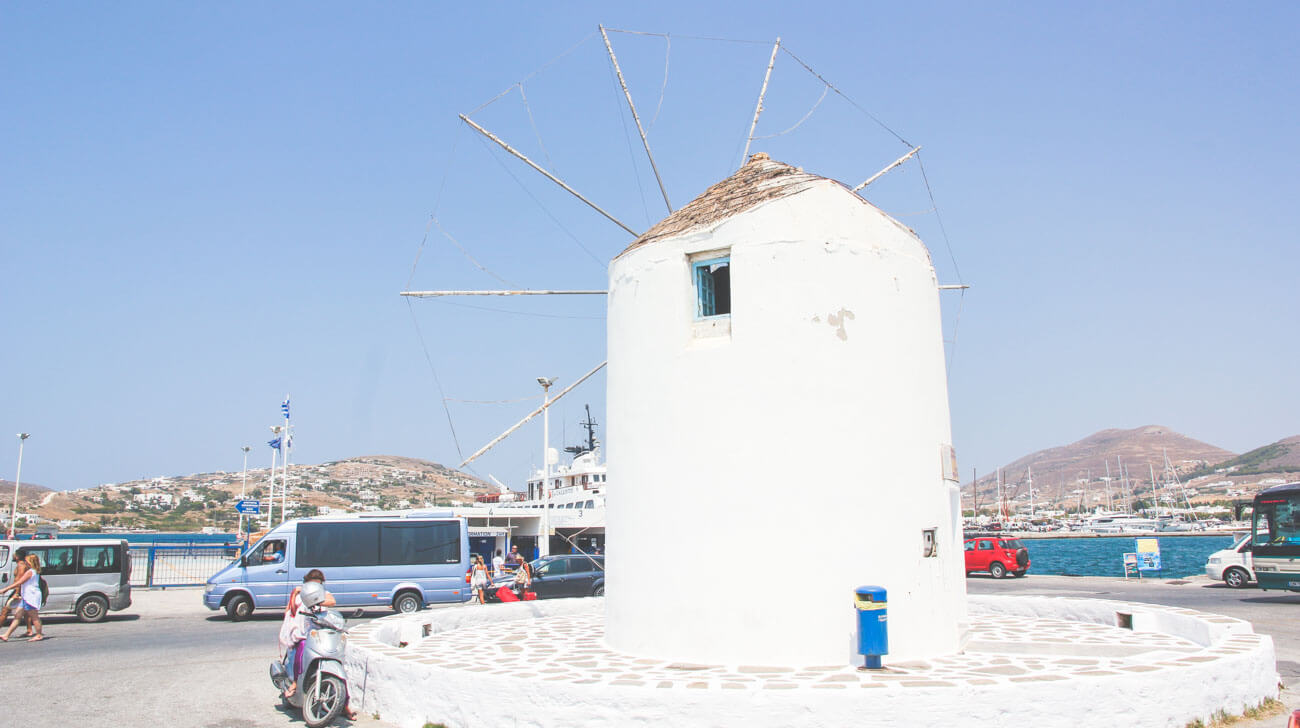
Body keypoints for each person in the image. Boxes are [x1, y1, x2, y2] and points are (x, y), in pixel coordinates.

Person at [0, 555, 44, 642]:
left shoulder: (30, 572)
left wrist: (5, 589)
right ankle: (6, 635)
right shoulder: (34, 571)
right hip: (26, 597)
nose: (25, 563)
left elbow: (19, 582)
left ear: (30, 562)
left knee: (34, 617)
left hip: (30, 597)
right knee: (17, 616)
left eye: (27, 561)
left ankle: (39, 635)